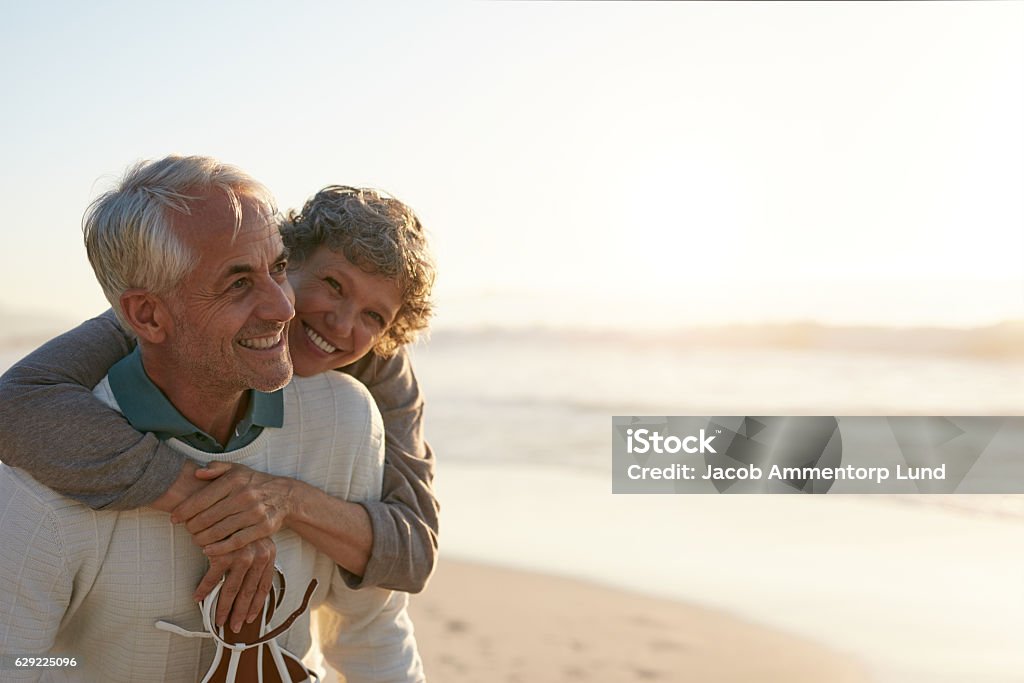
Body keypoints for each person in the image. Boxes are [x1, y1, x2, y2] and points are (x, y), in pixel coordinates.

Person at [0, 156, 424, 681]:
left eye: (276, 270)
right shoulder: (42, 465)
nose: (283, 308)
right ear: (147, 316)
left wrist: (285, 500)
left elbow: (378, 623)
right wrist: (82, 668)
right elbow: (18, 661)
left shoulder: (351, 415)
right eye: (239, 283)